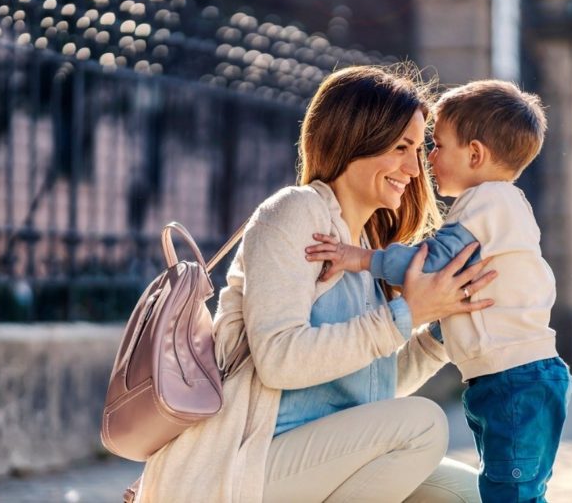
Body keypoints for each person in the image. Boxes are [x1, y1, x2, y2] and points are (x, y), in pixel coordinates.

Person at [134, 65, 498, 503]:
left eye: (419, 151)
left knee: (472, 495)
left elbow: (371, 385)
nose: (414, 169)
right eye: (402, 148)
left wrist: (439, 323)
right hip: (244, 463)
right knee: (422, 426)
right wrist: (407, 313)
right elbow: (279, 360)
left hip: (315, 464)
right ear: (354, 138)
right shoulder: (295, 213)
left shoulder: (366, 247)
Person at [306, 80, 572, 502]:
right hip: (511, 379)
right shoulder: (506, 207)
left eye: (435, 145)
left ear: (474, 154)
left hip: (513, 380)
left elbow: (427, 266)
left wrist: (359, 258)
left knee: (511, 492)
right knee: (510, 489)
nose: (425, 160)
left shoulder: (486, 202)